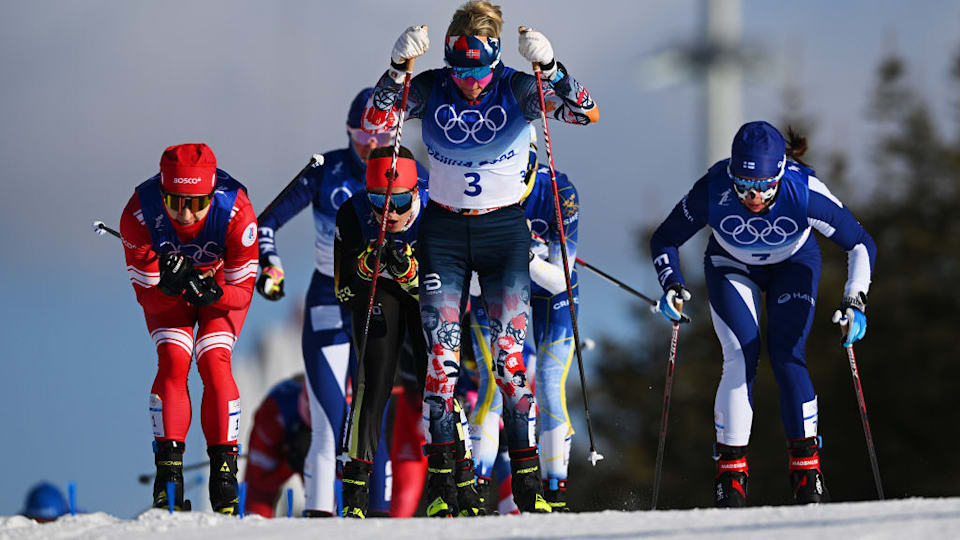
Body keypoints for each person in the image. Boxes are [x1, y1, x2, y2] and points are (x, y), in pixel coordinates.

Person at [361, 0, 597, 514]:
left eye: (480, 71)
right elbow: (376, 120)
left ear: (495, 61)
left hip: (503, 233)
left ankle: (530, 488)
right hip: (443, 233)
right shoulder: (430, 87)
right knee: (442, 366)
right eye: (461, 71)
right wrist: (398, 69)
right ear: (448, 61)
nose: (471, 82)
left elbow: (585, 111)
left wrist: (554, 69)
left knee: (513, 367)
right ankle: (449, 487)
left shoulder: (515, 86)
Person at [649, 121, 876, 506]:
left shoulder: (803, 192)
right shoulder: (713, 189)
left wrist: (855, 299)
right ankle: (731, 476)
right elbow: (665, 239)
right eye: (743, 187)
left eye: (764, 188)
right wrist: (670, 284)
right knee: (740, 357)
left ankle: (807, 471)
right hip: (731, 266)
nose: (753, 198)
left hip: (794, 264)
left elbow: (860, 243)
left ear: (781, 175)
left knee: (788, 356)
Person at [255, 89, 425, 516]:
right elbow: (264, 224)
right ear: (348, 132)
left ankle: (379, 519)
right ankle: (321, 518)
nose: (370, 145)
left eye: (382, 136)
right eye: (360, 135)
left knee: (375, 417)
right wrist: (270, 266)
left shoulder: (411, 171)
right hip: (331, 297)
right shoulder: (326, 170)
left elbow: (443, 227)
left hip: (383, 300)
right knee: (330, 422)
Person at [120, 143, 258, 514]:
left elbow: (243, 293)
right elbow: (148, 300)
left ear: (212, 195)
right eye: (175, 201)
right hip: (171, 292)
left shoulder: (237, 211)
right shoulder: (139, 215)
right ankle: (168, 482)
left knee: (213, 358)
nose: (184, 213)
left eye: (197, 204)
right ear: (161, 193)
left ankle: (224, 481)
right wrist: (166, 287)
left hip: (222, 283)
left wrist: (214, 293)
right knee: (173, 357)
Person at [467, 148, 581, 512]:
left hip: (548, 287)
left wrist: (525, 255)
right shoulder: (476, 185)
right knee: (494, 384)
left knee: (548, 382)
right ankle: (476, 486)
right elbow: (469, 285)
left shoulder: (559, 192)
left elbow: (560, 280)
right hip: (496, 286)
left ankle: (555, 491)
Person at [333, 145, 442, 517]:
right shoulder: (352, 213)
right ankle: (356, 492)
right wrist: (367, 265)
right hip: (378, 291)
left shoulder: (436, 208)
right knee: (374, 379)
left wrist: (411, 273)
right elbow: (344, 291)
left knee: (439, 374)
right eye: (379, 201)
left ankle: (451, 480)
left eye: (397, 203)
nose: (388, 213)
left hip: (422, 290)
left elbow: (449, 289)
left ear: (415, 193)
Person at [243, 375, 311, 518]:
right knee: (255, 509)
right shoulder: (272, 418)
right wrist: (290, 465)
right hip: (279, 417)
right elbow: (260, 481)